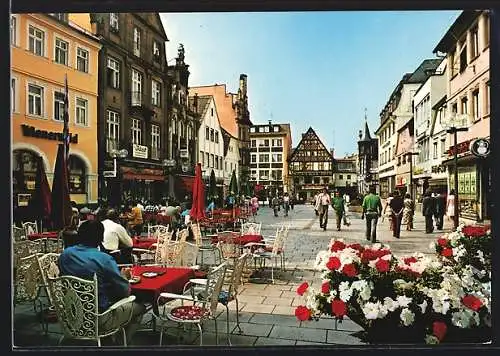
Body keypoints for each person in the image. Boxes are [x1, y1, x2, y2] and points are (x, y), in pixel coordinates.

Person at [58, 220, 145, 342]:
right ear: (100, 238)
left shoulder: (65, 255)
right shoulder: (104, 259)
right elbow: (124, 292)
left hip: (71, 315)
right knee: (140, 308)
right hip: (99, 318)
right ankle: (121, 344)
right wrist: (124, 277)